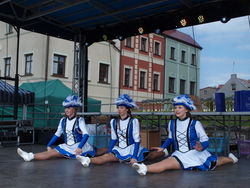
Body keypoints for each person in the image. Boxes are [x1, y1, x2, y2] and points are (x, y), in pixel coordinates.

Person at [133, 94, 238, 175]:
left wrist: (201, 147)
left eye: (180, 107)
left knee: (218, 161)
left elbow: (205, 140)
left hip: (195, 154)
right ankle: (144, 168)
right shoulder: (172, 123)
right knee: (165, 164)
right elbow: (170, 138)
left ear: (187, 109)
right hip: (179, 154)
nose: (176, 110)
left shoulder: (195, 124)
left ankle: (231, 159)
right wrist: (162, 147)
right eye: (175, 107)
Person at [76, 94, 149, 167]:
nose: (119, 110)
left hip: (132, 150)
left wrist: (134, 156)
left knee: (149, 156)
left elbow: (137, 140)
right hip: (119, 150)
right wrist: (109, 151)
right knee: (105, 157)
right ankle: (87, 160)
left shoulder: (133, 121)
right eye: (118, 108)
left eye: (122, 108)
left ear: (127, 109)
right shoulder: (114, 122)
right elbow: (113, 139)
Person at [17, 95, 96, 161]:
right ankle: (30, 156)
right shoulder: (63, 120)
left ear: (74, 109)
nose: (66, 110)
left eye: (69, 108)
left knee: (98, 152)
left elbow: (86, 135)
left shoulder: (80, 120)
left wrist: (79, 147)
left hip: (78, 147)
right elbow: (57, 134)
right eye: (65, 108)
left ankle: (30, 156)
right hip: (67, 146)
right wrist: (49, 145)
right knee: (52, 152)